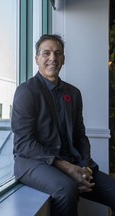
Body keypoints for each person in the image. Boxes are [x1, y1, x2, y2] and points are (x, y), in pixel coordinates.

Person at [11, 34, 115, 216]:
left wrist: (86, 167)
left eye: (58, 53)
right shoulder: (26, 91)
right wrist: (67, 167)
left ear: (63, 59)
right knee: (66, 190)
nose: (53, 58)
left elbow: (80, 136)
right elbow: (24, 143)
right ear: (37, 59)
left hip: (72, 161)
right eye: (46, 53)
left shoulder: (73, 93)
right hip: (33, 162)